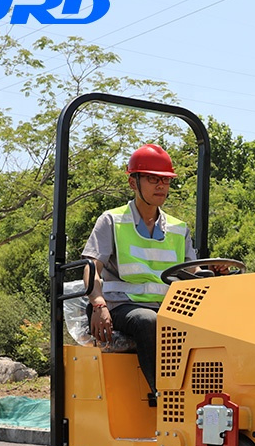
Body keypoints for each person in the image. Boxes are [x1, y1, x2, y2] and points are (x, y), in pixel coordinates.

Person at [82, 143, 197, 405]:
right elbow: (91, 269)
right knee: (148, 321)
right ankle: (166, 397)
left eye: (165, 181)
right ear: (133, 183)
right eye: (152, 179)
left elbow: (194, 272)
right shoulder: (111, 221)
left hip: (167, 309)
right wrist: (98, 305)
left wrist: (213, 272)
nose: (161, 186)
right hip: (119, 307)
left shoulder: (179, 229)